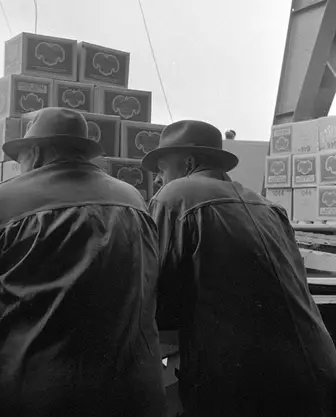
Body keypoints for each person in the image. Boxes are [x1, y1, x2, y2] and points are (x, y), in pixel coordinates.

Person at [0, 107, 166, 417]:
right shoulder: (133, 199)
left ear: (35, 152)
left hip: (37, 392)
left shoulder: (0, 202)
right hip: (133, 391)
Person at [143, 119, 336, 417]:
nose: (157, 180)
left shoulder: (175, 196)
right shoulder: (268, 206)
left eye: (162, 169)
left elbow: (154, 295)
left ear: (188, 163)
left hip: (245, 385)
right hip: (318, 368)